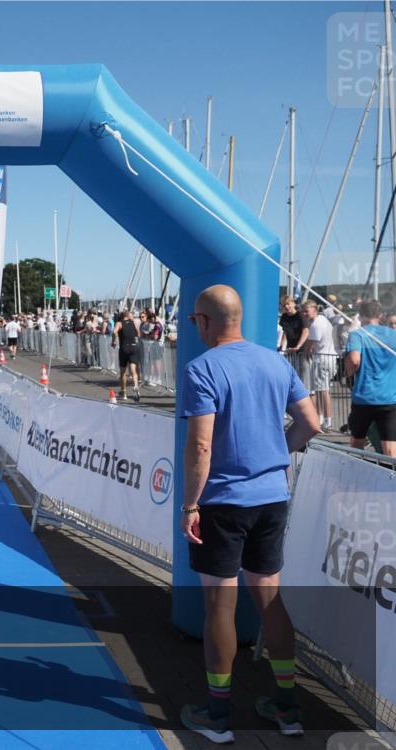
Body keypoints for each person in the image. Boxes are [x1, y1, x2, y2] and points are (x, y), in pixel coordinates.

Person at [178, 285, 321, 745]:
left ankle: (218, 716)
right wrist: (277, 454)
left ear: (203, 321)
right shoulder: (275, 361)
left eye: (193, 322)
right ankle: (288, 708)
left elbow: (201, 446)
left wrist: (190, 504)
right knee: (270, 601)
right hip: (271, 498)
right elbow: (312, 423)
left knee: (219, 605)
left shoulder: (202, 368)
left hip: (221, 502)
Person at [344, 299, 396, 457]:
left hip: (364, 397)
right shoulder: (393, 334)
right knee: (390, 447)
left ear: (361, 316)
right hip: (389, 398)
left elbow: (354, 360)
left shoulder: (357, 335)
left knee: (357, 442)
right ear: (380, 315)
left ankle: (355, 475)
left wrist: (348, 372)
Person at [301, 301, 337, 430]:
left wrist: (306, 353)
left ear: (315, 309)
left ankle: (327, 421)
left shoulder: (316, 324)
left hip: (321, 359)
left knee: (322, 391)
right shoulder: (323, 319)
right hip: (329, 357)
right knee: (321, 390)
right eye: (303, 311)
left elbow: (309, 345)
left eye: (307, 311)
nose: (304, 313)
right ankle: (321, 418)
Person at [111, 309, 141, 402]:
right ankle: (135, 385)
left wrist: (114, 341)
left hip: (124, 348)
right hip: (133, 347)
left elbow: (114, 332)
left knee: (123, 372)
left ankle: (123, 392)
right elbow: (138, 333)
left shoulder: (119, 323)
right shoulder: (133, 323)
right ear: (128, 316)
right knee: (133, 370)